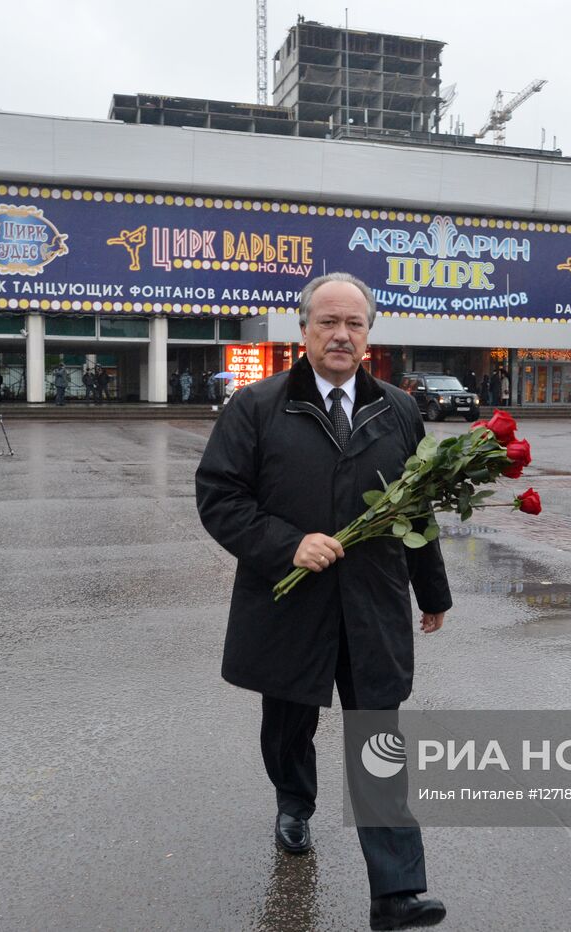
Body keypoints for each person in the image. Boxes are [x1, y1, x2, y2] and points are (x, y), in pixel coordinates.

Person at [196, 272, 451, 931]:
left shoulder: (398, 409)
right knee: (288, 725)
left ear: (369, 334)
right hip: (290, 604)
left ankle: (397, 893)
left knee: (378, 738)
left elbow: (416, 505)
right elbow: (219, 498)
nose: (341, 334)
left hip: (373, 603)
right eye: (328, 322)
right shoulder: (255, 407)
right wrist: (287, 545)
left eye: (355, 324)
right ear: (303, 328)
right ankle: (293, 801)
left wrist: (432, 589)